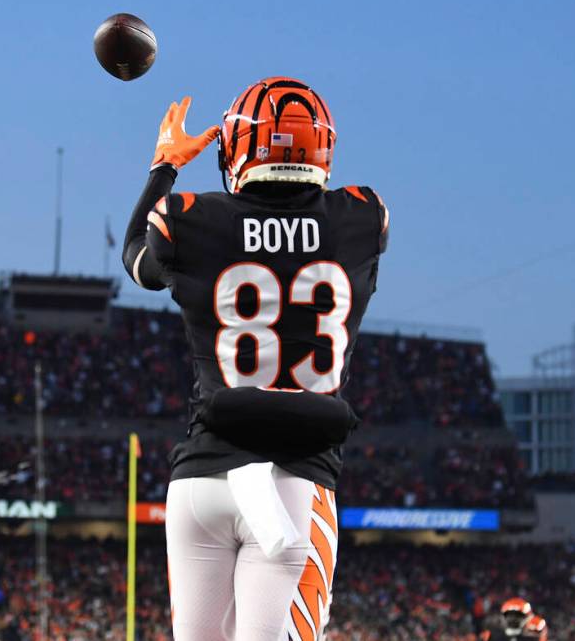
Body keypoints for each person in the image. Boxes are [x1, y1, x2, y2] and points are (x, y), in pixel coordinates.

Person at [122, 77, 388, 641]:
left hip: (203, 476)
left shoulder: (187, 216)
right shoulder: (363, 217)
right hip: (295, 480)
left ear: (237, 150)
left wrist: (164, 165)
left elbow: (136, 261)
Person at [481, 598, 548, 640]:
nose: (513, 619)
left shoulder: (535, 628)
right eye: (509, 615)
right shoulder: (494, 629)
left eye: (518, 615)